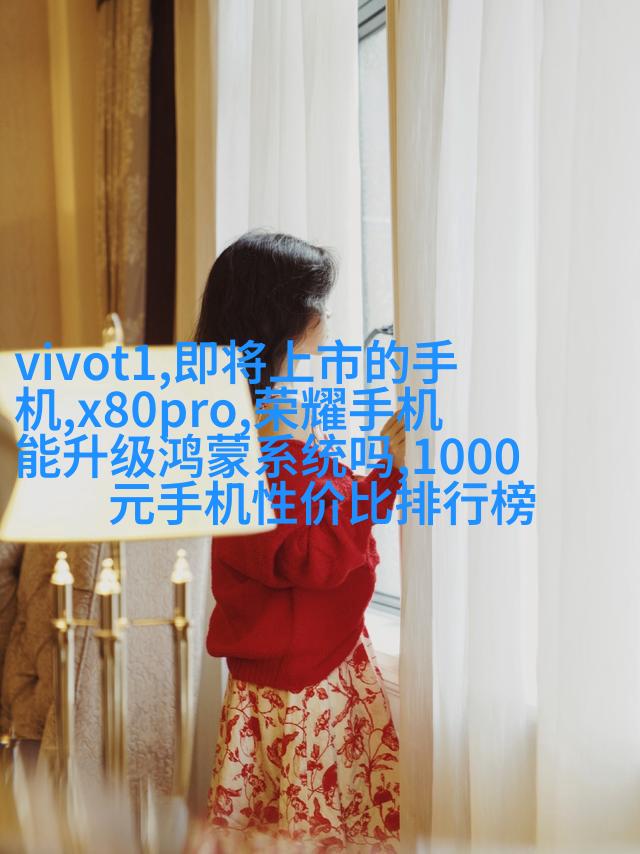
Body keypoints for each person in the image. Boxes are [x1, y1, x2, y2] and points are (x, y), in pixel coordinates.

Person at [195, 231, 404, 851]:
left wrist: (379, 474)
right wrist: (387, 473)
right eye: (321, 309)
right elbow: (310, 556)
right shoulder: (265, 439)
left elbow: (321, 522)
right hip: (302, 686)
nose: (328, 323)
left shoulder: (261, 419)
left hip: (312, 666)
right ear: (287, 323)